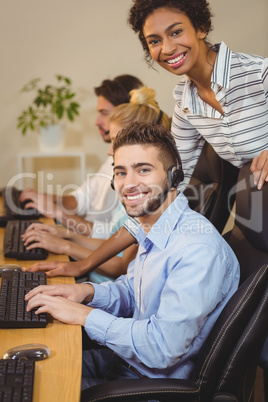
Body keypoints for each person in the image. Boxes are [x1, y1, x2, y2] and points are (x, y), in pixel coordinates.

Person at [25, 122, 240, 388]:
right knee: (24, 371)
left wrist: (83, 315)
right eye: (121, 172)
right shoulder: (153, 229)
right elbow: (134, 293)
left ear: (173, 176)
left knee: (36, 390)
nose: (129, 184)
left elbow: (162, 348)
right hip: (126, 361)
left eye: (144, 170)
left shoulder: (196, 250)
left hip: (149, 384)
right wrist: (87, 294)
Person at [23, 87, 171, 280]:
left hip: (103, 283)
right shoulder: (129, 190)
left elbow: (122, 266)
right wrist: (66, 236)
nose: (110, 151)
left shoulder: (148, 197)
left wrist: (66, 244)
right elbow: (111, 240)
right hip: (95, 276)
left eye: (116, 142)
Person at [128, 0, 268, 191]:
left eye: (176, 32)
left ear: (200, 28)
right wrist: (139, 214)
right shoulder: (185, 103)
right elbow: (176, 174)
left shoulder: (259, 73)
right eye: (155, 41)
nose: (167, 48)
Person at [19, 74, 143, 238]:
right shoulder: (113, 159)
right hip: (85, 242)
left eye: (104, 113)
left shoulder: (134, 174)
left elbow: (112, 238)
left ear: (126, 114)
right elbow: (82, 199)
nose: (96, 121)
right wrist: (45, 199)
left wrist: (59, 216)